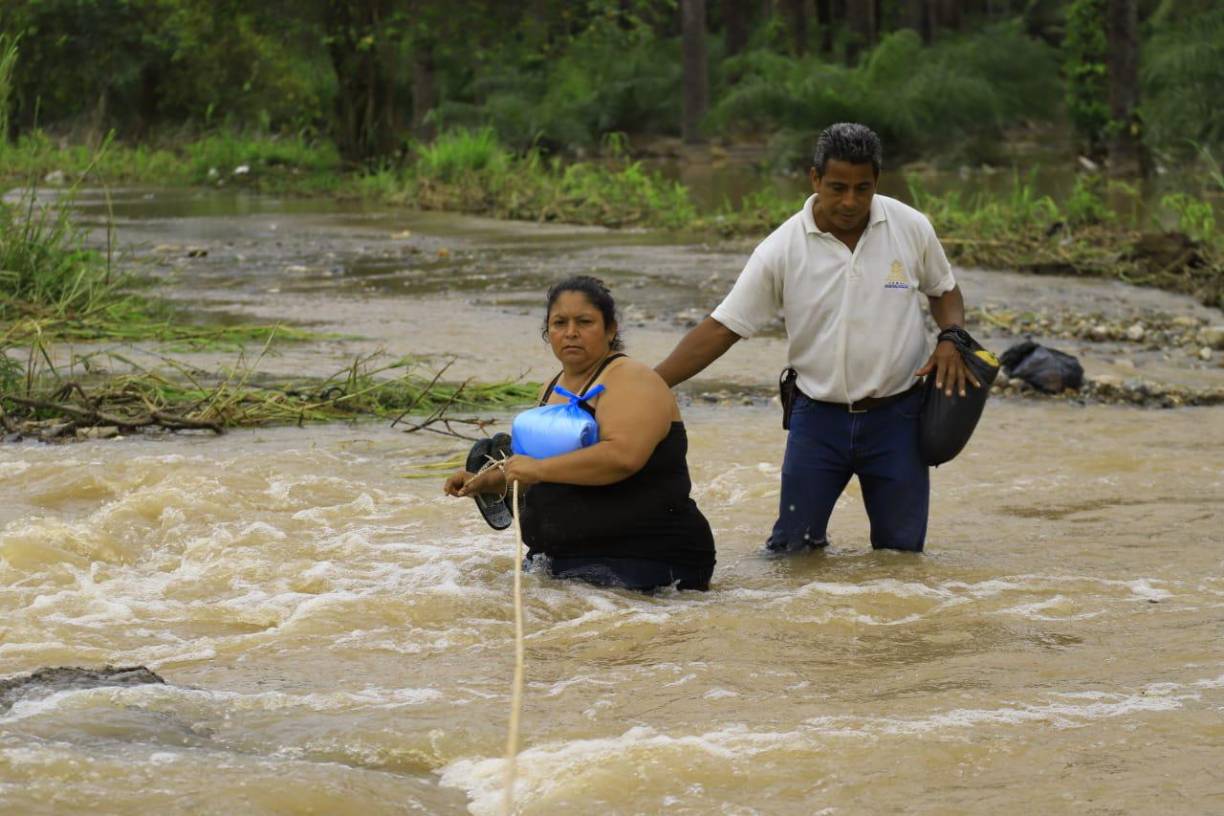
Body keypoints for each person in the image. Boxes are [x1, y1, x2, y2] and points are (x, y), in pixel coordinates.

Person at [654, 122, 977, 555]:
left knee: (902, 559)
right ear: (815, 179)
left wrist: (952, 337)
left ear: (876, 182)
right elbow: (723, 327)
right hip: (817, 422)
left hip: (898, 418)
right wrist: (647, 385)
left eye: (862, 188)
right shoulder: (782, 249)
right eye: (837, 187)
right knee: (792, 553)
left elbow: (944, 290)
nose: (850, 201)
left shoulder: (910, 227)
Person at [444, 276, 716, 591]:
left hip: (646, 559)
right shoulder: (552, 386)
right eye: (560, 323)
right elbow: (531, 462)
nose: (571, 332)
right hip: (562, 559)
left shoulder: (632, 380)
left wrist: (539, 469)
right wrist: (485, 481)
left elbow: (621, 457)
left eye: (584, 322)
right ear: (548, 332)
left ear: (610, 329)